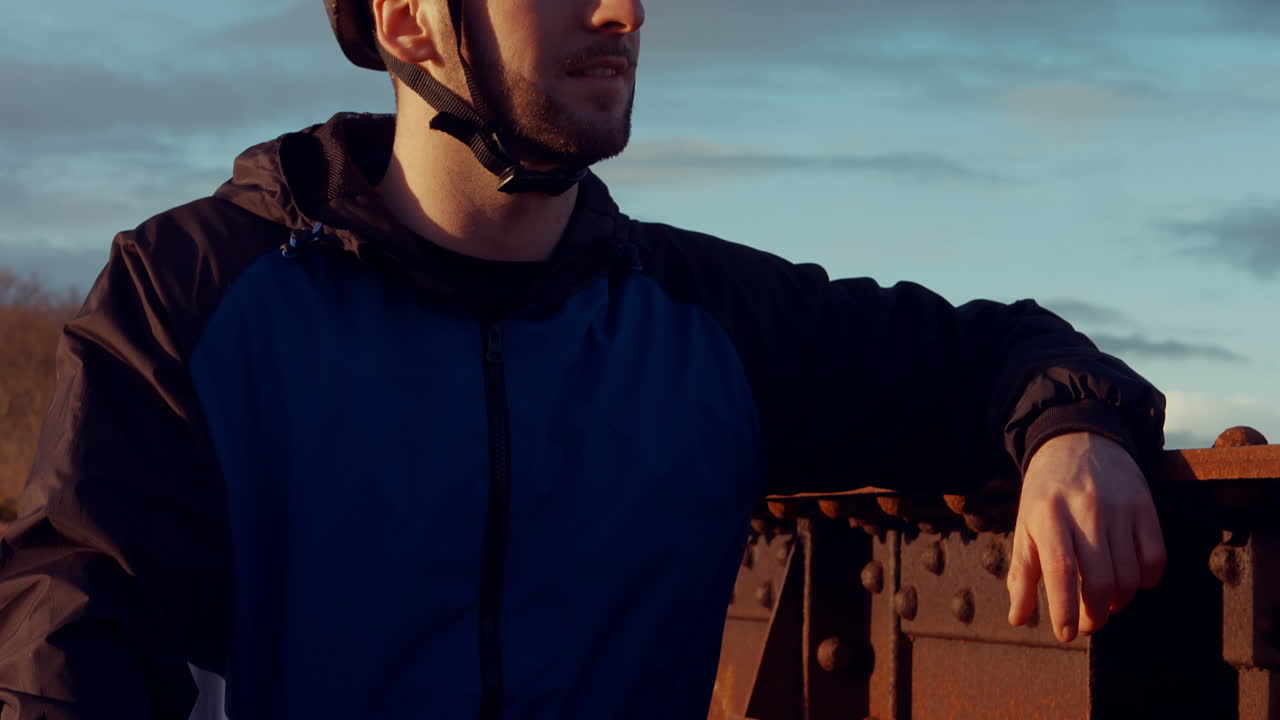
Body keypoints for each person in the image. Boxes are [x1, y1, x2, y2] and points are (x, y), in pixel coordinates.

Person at [0, 0, 1167, 717]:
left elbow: (979, 351)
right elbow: (76, 627)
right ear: (408, 20)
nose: (623, 10)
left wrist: (1071, 429)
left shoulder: (701, 319)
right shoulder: (199, 294)